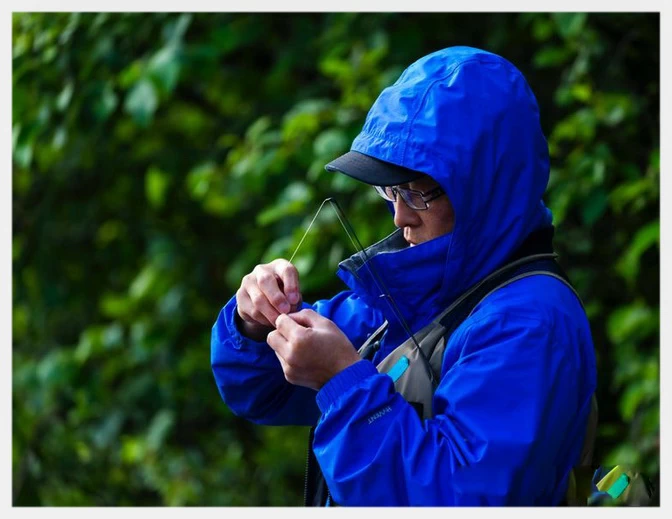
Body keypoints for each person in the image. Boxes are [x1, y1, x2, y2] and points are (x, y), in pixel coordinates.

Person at [210, 45, 597, 506]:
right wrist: (254, 323)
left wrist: (342, 382)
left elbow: (455, 499)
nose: (398, 218)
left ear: (483, 190)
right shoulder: (413, 288)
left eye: (417, 193)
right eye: (390, 191)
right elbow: (259, 392)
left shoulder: (530, 324)